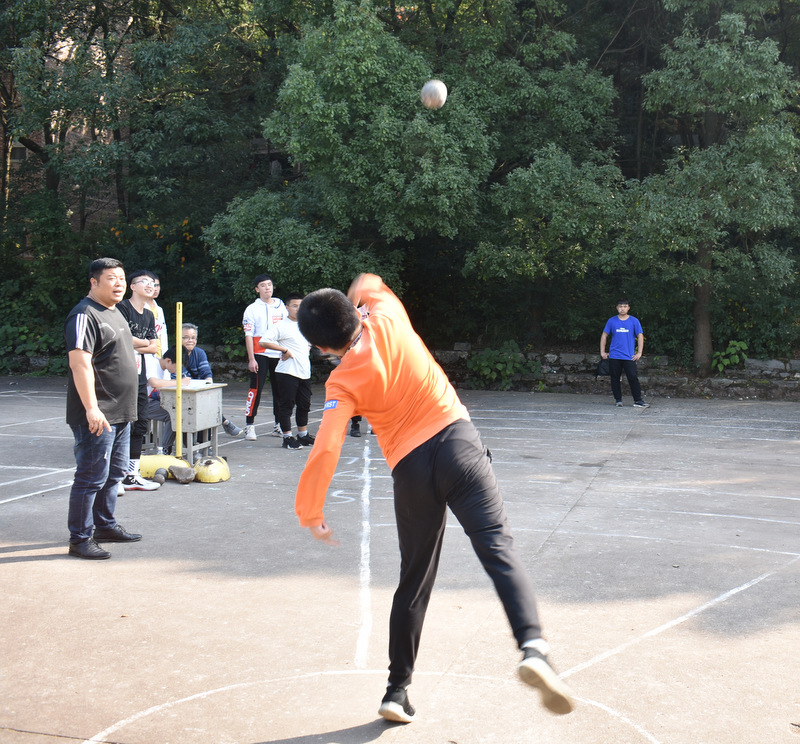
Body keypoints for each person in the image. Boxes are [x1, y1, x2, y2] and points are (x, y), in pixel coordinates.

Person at [294, 274, 575, 722]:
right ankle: (533, 647)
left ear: (321, 347)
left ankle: (396, 691)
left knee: (414, 578)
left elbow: (327, 446)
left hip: (411, 471)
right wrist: (357, 301)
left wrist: (310, 510)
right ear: (353, 313)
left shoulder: (340, 383)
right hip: (457, 443)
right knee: (497, 547)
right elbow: (369, 281)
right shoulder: (388, 316)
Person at [64, 257, 143, 559]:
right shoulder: (84, 314)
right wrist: (92, 409)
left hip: (122, 412)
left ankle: (105, 526)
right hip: (99, 414)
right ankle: (80, 539)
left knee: (114, 474)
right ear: (94, 282)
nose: (118, 283)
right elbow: (79, 364)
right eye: (111, 278)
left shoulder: (115, 312)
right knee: (90, 477)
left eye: (122, 278)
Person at [118, 270, 162, 491]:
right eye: (144, 281)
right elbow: (121, 339)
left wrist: (138, 342)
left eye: (152, 282)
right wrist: (143, 342)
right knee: (120, 423)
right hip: (120, 375)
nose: (149, 285)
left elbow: (154, 347)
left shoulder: (149, 315)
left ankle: (131, 475)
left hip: (140, 376)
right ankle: (115, 476)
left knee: (141, 421)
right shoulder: (122, 308)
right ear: (132, 286)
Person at [258, 292, 315, 450]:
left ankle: (303, 434)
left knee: (304, 404)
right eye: (294, 306)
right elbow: (263, 342)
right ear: (287, 307)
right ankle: (287, 437)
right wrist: (284, 350)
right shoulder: (281, 325)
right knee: (287, 405)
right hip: (287, 372)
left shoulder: (306, 325)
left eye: (301, 306)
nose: (298, 309)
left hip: (304, 371)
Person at [242, 274, 287, 441]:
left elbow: (286, 330)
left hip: (278, 353)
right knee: (256, 390)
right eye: (263, 285)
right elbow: (248, 335)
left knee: (280, 391)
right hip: (259, 354)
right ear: (257, 289)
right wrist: (251, 358)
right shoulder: (252, 309)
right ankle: (249, 426)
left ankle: (279, 425)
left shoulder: (281, 306)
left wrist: (285, 351)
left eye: (269, 284)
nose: (267, 288)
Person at [179, 322, 242, 436]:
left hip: (198, 390)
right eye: (186, 337)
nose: (190, 341)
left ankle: (206, 439)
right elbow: (179, 378)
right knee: (202, 403)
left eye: (193, 338)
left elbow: (207, 373)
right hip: (181, 393)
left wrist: (208, 384)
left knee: (208, 398)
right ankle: (224, 422)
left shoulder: (199, 353)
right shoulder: (173, 354)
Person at [600, 298, 650, 408]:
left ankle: (638, 400)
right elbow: (604, 335)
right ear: (617, 308)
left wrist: (639, 352)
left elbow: (640, 336)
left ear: (628, 308)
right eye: (620, 306)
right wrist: (602, 352)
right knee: (615, 378)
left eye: (625, 306)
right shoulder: (612, 321)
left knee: (633, 377)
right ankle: (618, 400)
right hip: (614, 356)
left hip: (629, 356)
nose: (622, 309)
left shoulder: (634, 321)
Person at [144, 347, 189, 453]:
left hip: (156, 401)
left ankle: (188, 445)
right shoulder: (152, 363)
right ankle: (165, 449)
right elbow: (154, 382)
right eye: (177, 367)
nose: (177, 371)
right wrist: (179, 382)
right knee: (173, 414)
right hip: (144, 402)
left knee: (184, 410)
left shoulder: (166, 371)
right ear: (168, 361)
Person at [147, 272, 171, 380]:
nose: (155, 288)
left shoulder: (159, 309)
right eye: (153, 285)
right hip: (147, 354)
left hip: (161, 355)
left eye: (157, 285)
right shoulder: (140, 308)